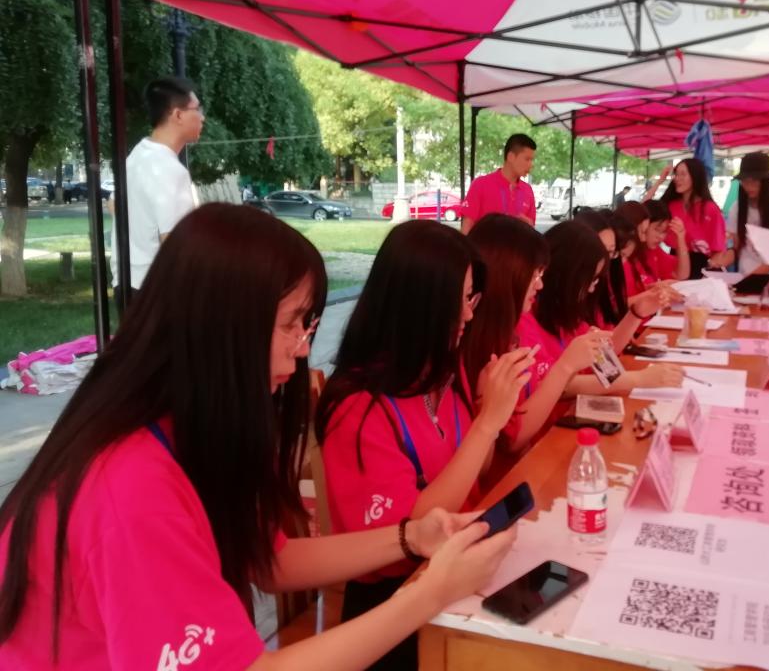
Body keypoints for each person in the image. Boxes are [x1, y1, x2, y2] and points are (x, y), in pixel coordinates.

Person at [0, 204, 513, 670]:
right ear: (221, 327)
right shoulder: (131, 488)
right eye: (292, 325)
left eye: (308, 326)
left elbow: (271, 559)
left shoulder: (198, 429)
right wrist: (428, 595)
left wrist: (412, 536)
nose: (302, 348)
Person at [315, 220, 532, 669]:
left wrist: (486, 408)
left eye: (472, 298)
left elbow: (475, 473)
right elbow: (415, 534)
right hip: (395, 610)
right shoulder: (358, 408)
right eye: (461, 301)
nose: (469, 316)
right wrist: (487, 423)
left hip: (457, 582)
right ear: (419, 306)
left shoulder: (440, 373)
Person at [463, 215, 607, 455]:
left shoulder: (515, 329)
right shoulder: (493, 342)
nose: (540, 285)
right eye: (535, 275)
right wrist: (566, 367)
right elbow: (512, 439)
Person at [518, 220, 684, 399]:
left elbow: (605, 358)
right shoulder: (526, 320)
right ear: (567, 274)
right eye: (591, 279)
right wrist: (638, 379)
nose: (591, 289)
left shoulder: (565, 312)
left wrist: (637, 313)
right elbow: (559, 385)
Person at [110, 77, 202, 309]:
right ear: (178, 115)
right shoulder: (170, 170)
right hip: (158, 292)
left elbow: (112, 204)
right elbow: (176, 244)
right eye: (197, 109)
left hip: (126, 284)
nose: (203, 117)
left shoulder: (136, 156)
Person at [708, 152, 769, 273]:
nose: (749, 186)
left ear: (766, 182)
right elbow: (737, 246)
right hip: (746, 274)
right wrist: (722, 260)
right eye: (744, 181)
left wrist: (753, 277)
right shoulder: (737, 207)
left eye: (754, 181)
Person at [654, 158, 726, 278]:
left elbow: (718, 248)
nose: (677, 178)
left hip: (701, 266)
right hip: (674, 261)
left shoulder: (710, 209)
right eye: (676, 174)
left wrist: (709, 271)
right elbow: (642, 214)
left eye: (683, 174)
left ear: (695, 176)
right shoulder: (672, 205)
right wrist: (659, 182)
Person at [461, 134, 537, 234]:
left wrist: (528, 225)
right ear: (511, 157)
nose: (531, 165)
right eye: (527, 159)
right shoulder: (481, 184)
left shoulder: (527, 190)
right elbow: (466, 228)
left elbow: (531, 229)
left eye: (532, 160)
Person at [633, 200, 689, 286]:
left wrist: (680, 238)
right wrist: (658, 287)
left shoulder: (654, 251)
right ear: (643, 225)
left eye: (664, 231)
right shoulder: (629, 255)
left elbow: (682, 275)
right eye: (657, 230)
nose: (661, 237)